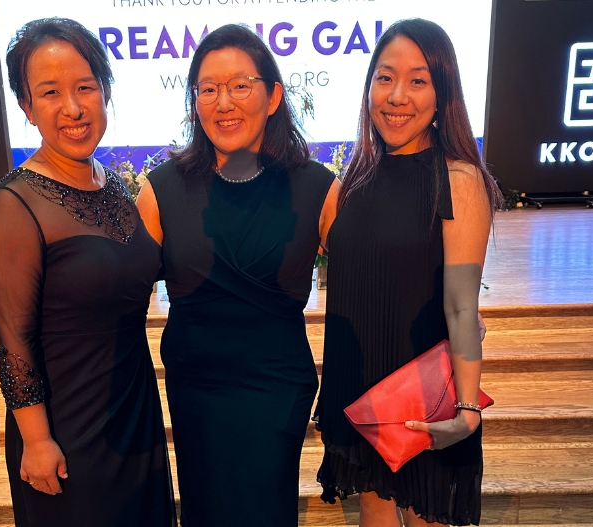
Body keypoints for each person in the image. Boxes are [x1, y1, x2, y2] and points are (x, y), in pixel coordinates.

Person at [136, 23, 339, 527]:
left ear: (273, 96)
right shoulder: (159, 190)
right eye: (208, 89)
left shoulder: (319, 188)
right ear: (195, 101)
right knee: (206, 510)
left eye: (240, 85)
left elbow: (368, 287)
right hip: (196, 388)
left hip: (276, 387)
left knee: (267, 510)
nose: (223, 102)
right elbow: (119, 300)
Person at [0, 18, 176, 527]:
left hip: (133, 413)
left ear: (104, 91)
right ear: (27, 107)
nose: (72, 107)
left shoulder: (110, 185)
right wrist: (37, 440)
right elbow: (12, 343)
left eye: (85, 87)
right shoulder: (14, 205)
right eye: (49, 93)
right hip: (67, 431)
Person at [314, 18, 502, 527]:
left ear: (442, 96)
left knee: (426, 513)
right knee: (373, 513)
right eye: (384, 77)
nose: (397, 96)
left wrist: (467, 409)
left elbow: (462, 305)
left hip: (423, 396)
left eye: (418, 80)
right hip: (360, 382)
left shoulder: (458, 180)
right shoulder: (353, 179)